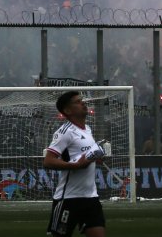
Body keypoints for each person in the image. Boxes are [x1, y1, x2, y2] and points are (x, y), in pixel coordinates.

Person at [43, 91, 109, 237]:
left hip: (91, 197)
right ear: (67, 110)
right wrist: (75, 166)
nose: (83, 103)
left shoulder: (88, 129)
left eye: (82, 100)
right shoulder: (65, 132)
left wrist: (95, 158)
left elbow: (81, 155)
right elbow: (48, 161)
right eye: (78, 102)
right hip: (68, 199)